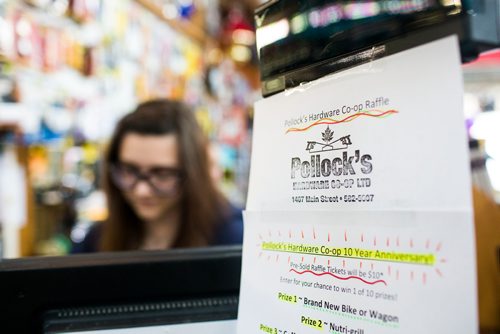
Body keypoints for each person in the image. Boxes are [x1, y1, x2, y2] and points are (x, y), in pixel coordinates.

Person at [72, 99, 243, 252]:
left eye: (162, 175)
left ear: (193, 173)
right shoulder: (95, 241)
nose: (141, 191)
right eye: (129, 171)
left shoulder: (235, 239)